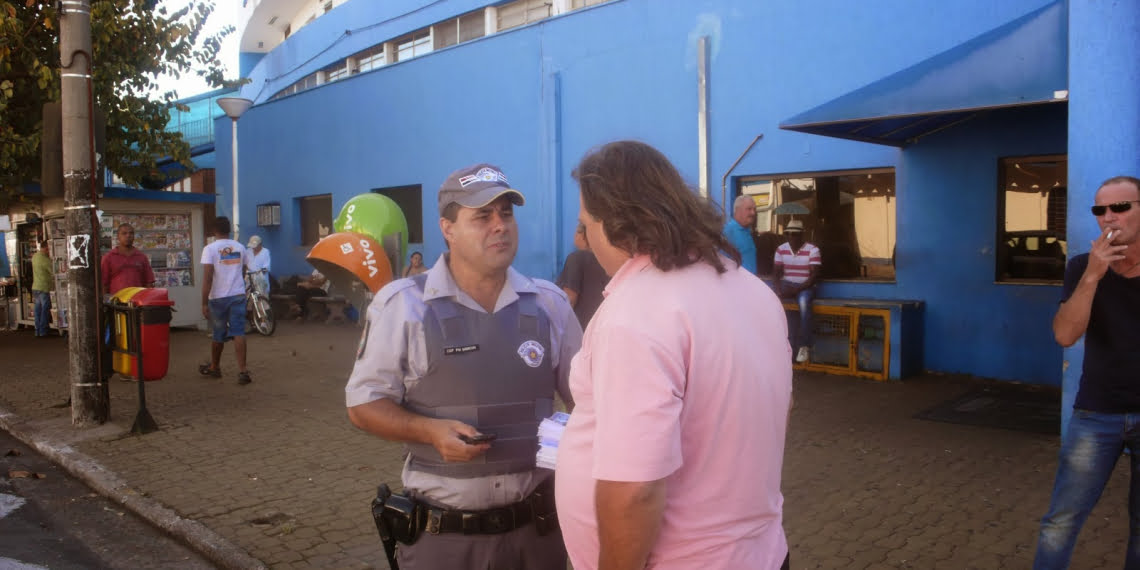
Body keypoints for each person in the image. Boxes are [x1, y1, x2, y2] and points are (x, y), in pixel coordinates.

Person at [555, 141, 792, 570]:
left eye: (586, 225)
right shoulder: (753, 292)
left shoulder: (635, 312)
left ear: (619, 223)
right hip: (761, 553)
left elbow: (634, 490)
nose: (586, 241)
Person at [345, 163, 582, 570]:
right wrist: (429, 430)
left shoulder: (549, 304)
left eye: (506, 214)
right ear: (448, 228)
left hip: (538, 534)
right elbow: (363, 406)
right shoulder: (403, 306)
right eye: (482, 216)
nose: (500, 226)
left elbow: (591, 402)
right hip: (445, 539)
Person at [1034, 175, 1140, 569]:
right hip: (1097, 413)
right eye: (1100, 209)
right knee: (1061, 520)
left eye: (1120, 207)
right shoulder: (1082, 266)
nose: (1108, 217)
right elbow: (1065, 334)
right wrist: (1094, 276)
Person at [198, 217, 253, 385]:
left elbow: (207, 278)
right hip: (237, 295)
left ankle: (215, 367)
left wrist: (204, 302)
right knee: (238, 332)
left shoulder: (210, 249)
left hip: (218, 298)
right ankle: (243, 371)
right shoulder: (240, 247)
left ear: (214, 230)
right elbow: (243, 269)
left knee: (218, 333)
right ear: (229, 229)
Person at [773, 219, 821, 363]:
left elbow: (814, 276)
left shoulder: (813, 250)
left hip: (805, 286)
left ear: (802, 235)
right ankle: (781, 347)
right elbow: (775, 274)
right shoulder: (781, 249)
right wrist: (778, 291)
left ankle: (805, 345)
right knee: (775, 306)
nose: (792, 237)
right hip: (788, 284)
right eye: (789, 234)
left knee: (804, 304)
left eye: (795, 234)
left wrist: (796, 290)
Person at [557, 223, 610, 329]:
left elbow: (570, 299)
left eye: (577, 232)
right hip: (602, 325)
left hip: (581, 329)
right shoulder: (607, 260)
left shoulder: (576, 258)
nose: (575, 236)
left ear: (585, 235)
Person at [100, 223, 155, 296]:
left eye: (131, 233)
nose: (128, 236)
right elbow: (103, 284)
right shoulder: (109, 257)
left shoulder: (142, 257)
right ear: (118, 237)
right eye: (124, 233)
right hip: (116, 302)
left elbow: (149, 282)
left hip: (137, 302)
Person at [725, 194, 759, 274]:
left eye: (754, 209)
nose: (753, 213)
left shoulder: (747, 231)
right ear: (737, 210)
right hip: (737, 284)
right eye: (749, 209)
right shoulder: (728, 231)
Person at [31, 240, 53, 337]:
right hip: (44, 287)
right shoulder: (46, 260)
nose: (49, 251)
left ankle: (37, 330)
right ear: (45, 248)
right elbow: (53, 271)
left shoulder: (35, 257)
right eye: (48, 249)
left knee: (37, 310)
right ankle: (43, 331)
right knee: (45, 309)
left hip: (35, 286)